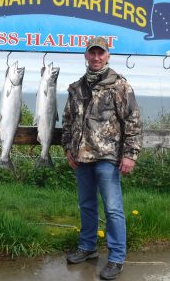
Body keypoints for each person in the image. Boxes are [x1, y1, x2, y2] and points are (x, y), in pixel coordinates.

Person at [61, 37, 142, 280]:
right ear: (86, 56)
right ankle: (88, 247)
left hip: (108, 157)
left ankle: (116, 257)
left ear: (108, 56)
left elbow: (133, 121)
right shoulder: (76, 87)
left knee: (113, 208)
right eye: (92, 53)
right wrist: (68, 148)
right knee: (86, 204)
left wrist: (130, 154)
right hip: (81, 157)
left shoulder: (120, 86)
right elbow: (67, 121)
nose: (96, 58)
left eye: (101, 53)